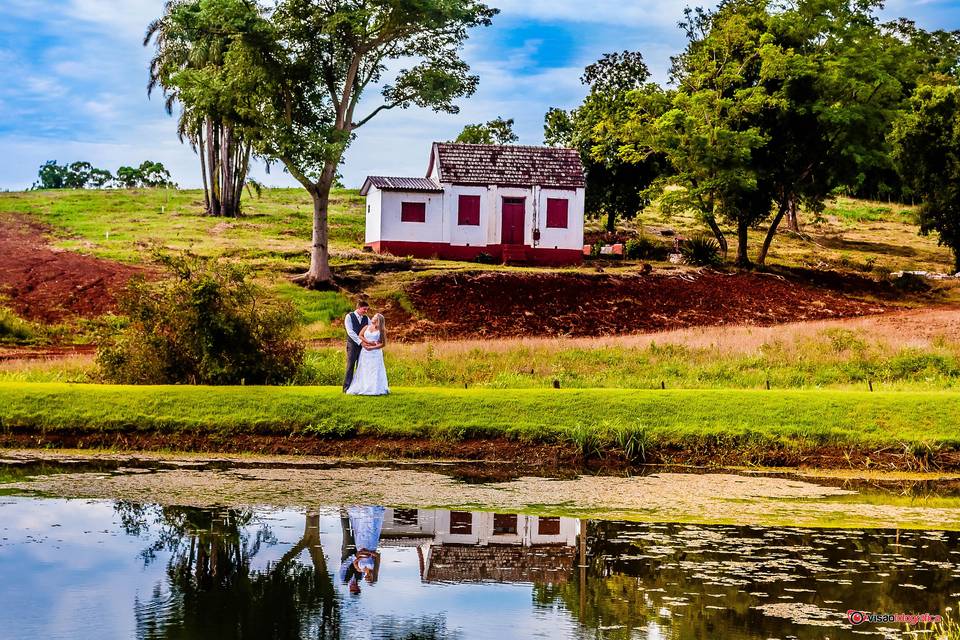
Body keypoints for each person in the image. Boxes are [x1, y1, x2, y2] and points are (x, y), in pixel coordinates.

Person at [338, 505, 385, 594]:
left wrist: (355, 557)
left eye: (353, 589)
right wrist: (360, 554)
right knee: (358, 530)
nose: (354, 587)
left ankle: (343, 512)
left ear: (350, 589)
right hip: (360, 550)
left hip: (348, 554)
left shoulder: (344, 579)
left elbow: (344, 566)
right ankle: (360, 513)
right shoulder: (361, 576)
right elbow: (369, 562)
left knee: (346, 533)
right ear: (359, 588)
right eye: (356, 589)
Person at [345, 313, 390, 396]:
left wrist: (372, 348)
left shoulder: (381, 330)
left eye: (374, 317)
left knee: (374, 370)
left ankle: (374, 388)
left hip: (375, 353)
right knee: (364, 369)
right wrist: (367, 342)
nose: (372, 318)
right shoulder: (366, 327)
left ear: (378, 320)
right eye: (373, 317)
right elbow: (360, 335)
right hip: (365, 352)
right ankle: (363, 386)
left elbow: (383, 344)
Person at [343, 299, 371, 392]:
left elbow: (371, 329)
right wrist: (360, 341)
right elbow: (350, 332)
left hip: (363, 347)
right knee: (350, 366)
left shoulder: (366, 318)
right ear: (358, 308)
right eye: (364, 309)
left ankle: (360, 388)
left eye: (367, 309)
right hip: (352, 345)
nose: (366, 311)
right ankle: (346, 388)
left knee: (361, 366)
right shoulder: (349, 316)